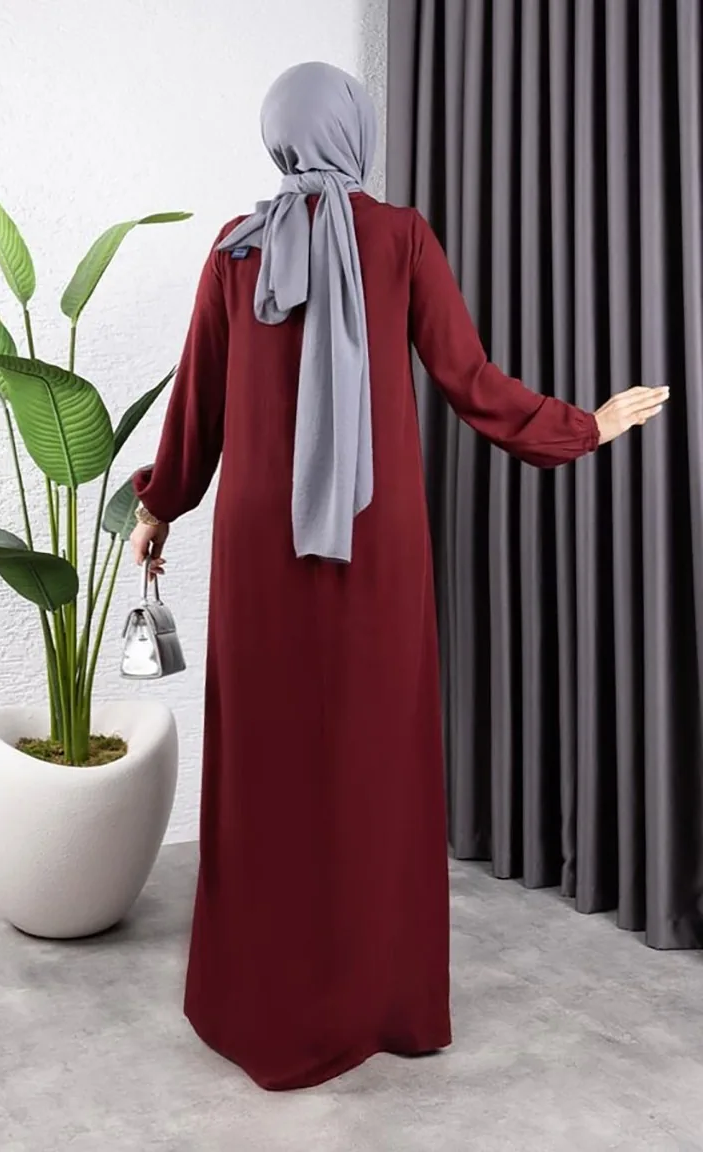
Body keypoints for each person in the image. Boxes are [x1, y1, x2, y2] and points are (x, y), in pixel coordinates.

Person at [130, 61, 668, 1092]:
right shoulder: (400, 238)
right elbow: (469, 380)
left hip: (258, 548)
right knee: (373, 759)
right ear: (355, 130)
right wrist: (582, 428)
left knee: (267, 762)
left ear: (279, 134)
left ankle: (260, 1004)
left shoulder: (236, 250)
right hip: (371, 542)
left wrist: (160, 504)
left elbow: (200, 404)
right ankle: (379, 999)